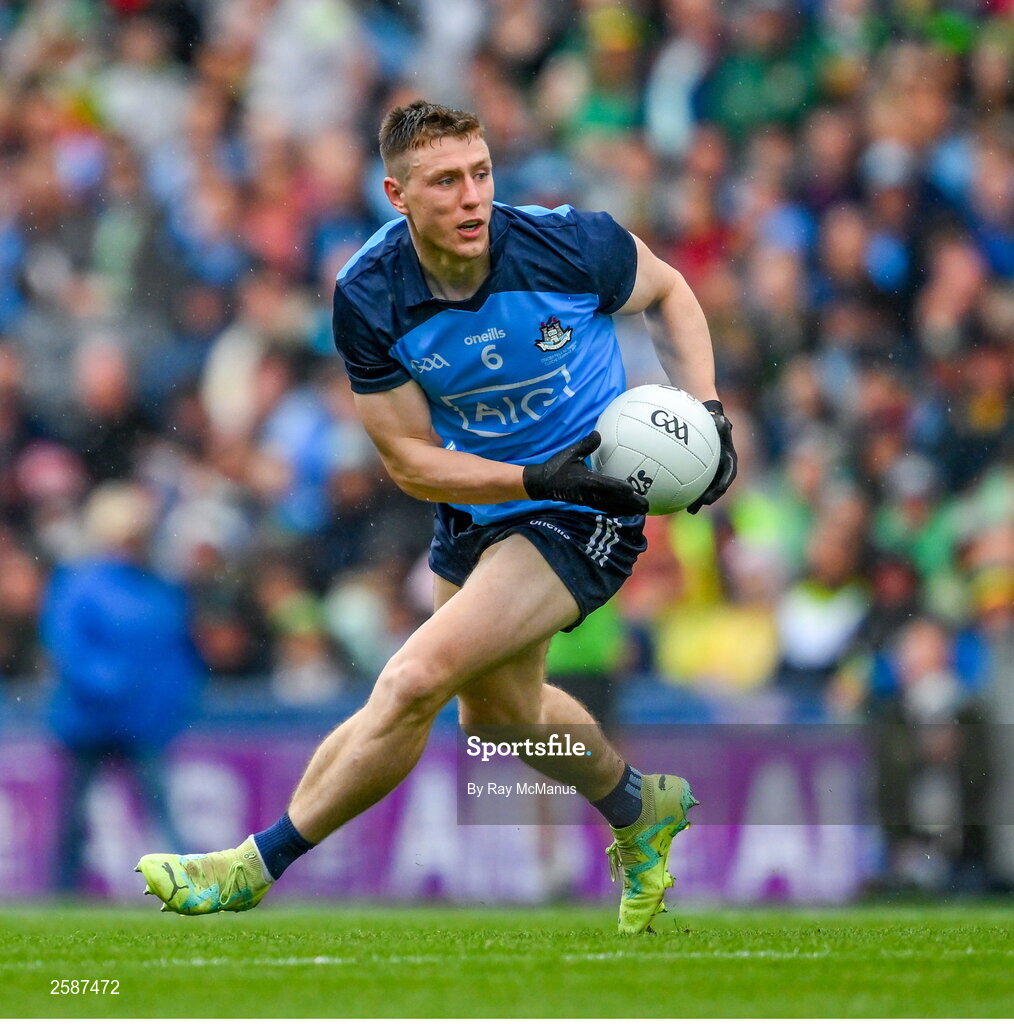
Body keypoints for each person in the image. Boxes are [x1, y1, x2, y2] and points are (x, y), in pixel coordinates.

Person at [136, 100, 736, 935]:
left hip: (586, 503)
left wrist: (708, 415)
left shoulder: (568, 242)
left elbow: (669, 290)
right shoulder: (368, 296)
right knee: (496, 718)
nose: (471, 198)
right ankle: (641, 807)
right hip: (483, 502)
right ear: (397, 194)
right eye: (446, 181)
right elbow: (409, 461)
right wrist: (526, 473)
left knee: (415, 677)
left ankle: (251, 864)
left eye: (481, 174)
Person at [44, 482, 204, 892]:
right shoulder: (83, 583)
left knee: (160, 810)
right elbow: (68, 647)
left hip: (140, 719)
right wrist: (116, 686)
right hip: (93, 718)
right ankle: (63, 892)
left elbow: (178, 652)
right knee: (77, 815)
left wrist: (171, 699)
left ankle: (187, 887)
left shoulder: (157, 586)